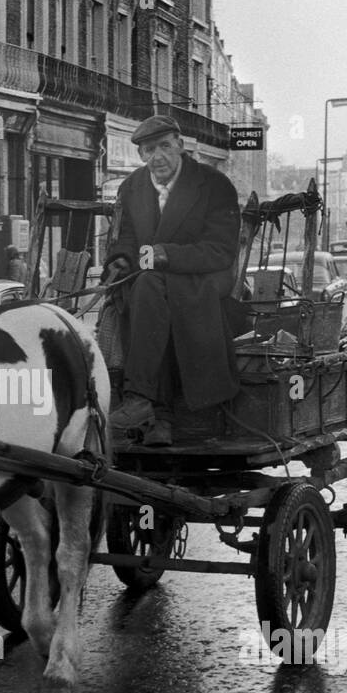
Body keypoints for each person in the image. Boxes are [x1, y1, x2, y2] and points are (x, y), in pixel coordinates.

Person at [104, 114, 241, 446]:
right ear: (140, 155)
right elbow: (124, 238)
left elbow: (221, 251)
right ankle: (161, 417)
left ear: (180, 146)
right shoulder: (132, 186)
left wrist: (168, 254)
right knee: (147, 291)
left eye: (164, 146)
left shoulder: (214, 185)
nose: (157, 157)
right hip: (149, 280)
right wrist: (120, 260)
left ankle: (139, 398)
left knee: (151, 288)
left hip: (205, 279)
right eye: (149, 150)